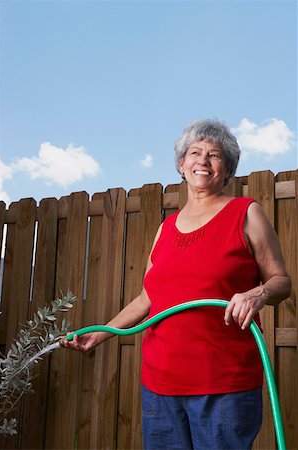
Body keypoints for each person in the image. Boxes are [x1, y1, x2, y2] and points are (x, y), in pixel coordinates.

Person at [62, 119, 291, 450]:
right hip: (160, 387)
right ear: (181, 165)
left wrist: (259, 292)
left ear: (227, 168)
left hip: (223, 386)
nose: (203, 160)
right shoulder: (165, 229)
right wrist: (100, 333)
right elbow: (147, 298)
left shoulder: (246, 213)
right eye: (194, 153)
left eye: (214, 155)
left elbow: (280, 281)